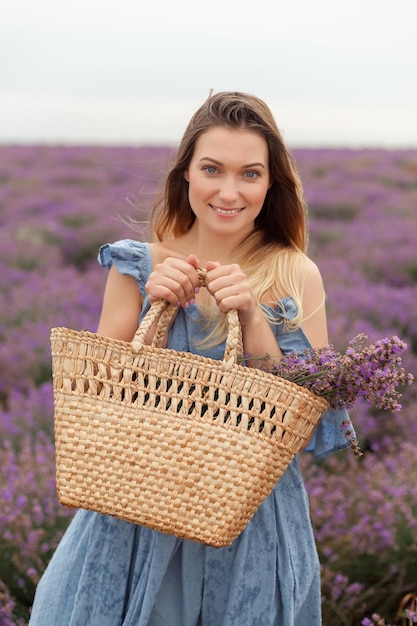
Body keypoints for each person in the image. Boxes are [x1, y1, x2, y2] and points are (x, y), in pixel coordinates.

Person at [29, 91, 351, 625]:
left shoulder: (295, 274)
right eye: (211, 169)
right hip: (134, 518)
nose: (229, 191)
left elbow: (314, 428)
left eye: (250, 173)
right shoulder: (137, 267)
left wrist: (252, 320)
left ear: (271, 184)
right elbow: (96, 408)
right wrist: (152, 304)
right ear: (185, 175)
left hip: (250, 527)